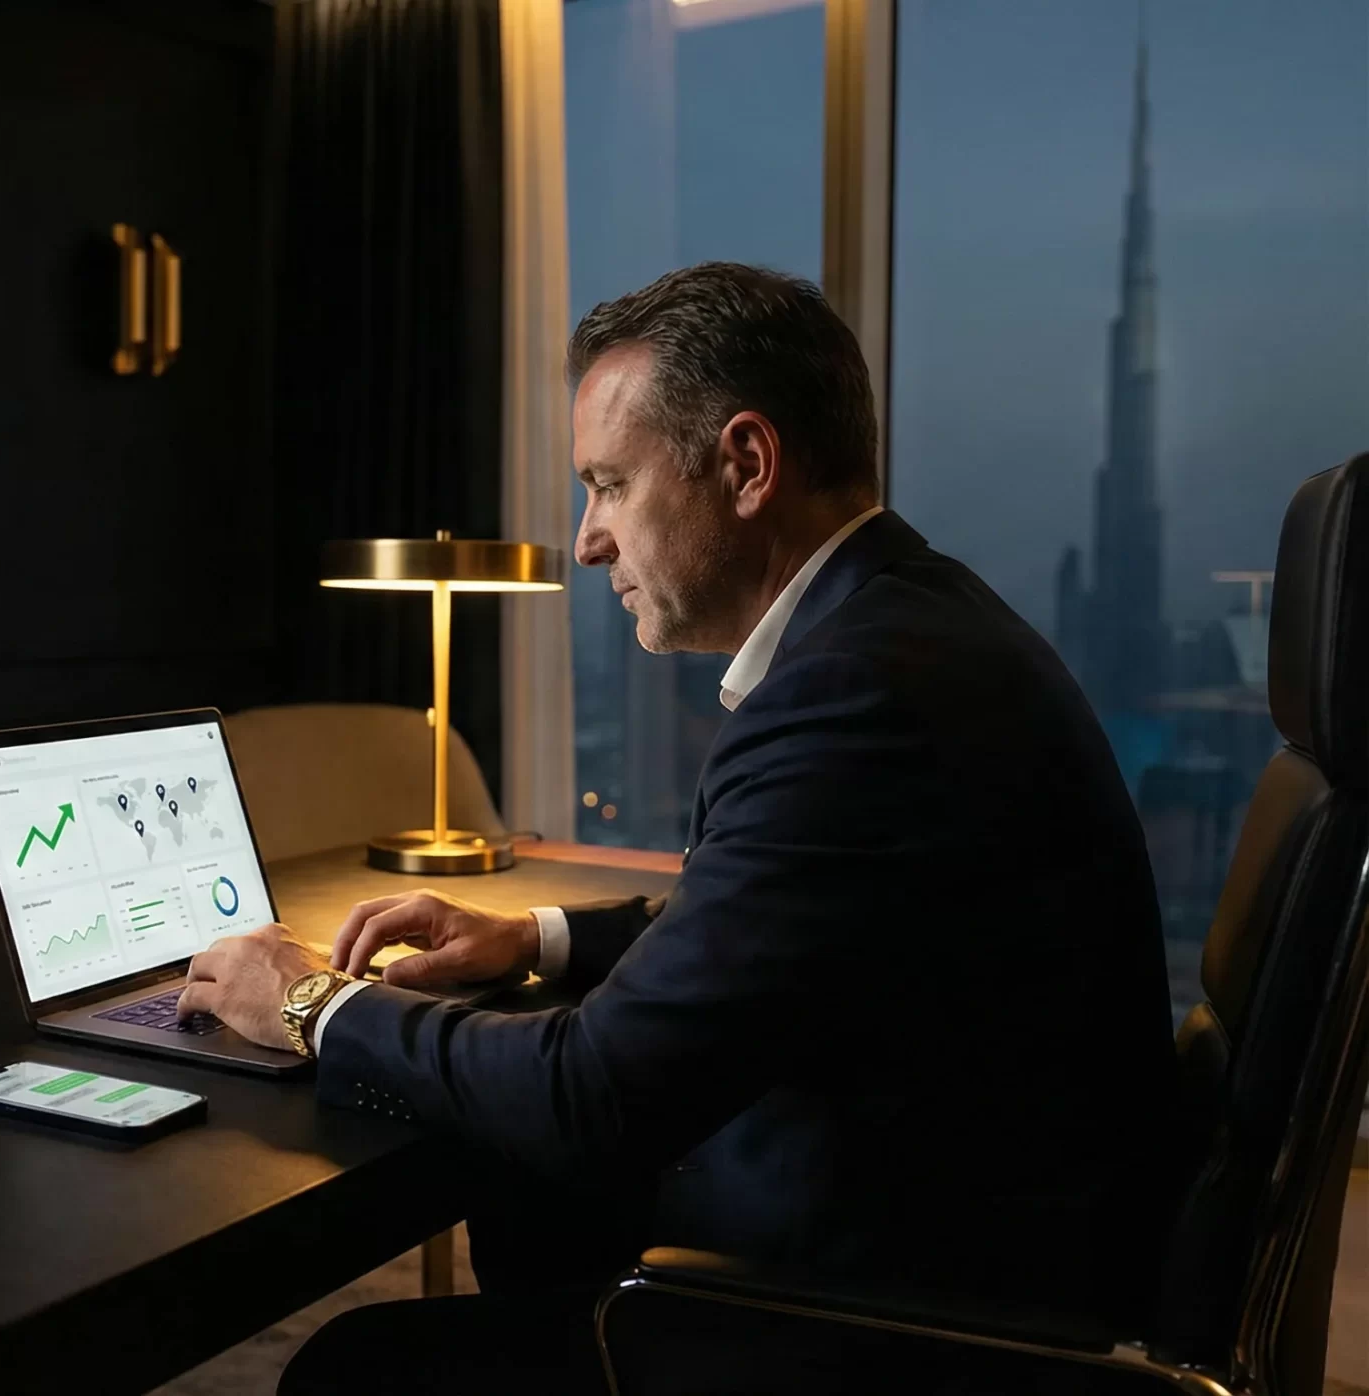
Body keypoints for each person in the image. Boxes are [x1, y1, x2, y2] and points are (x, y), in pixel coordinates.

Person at [174, 263, 1179, 1393]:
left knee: (357, 1367)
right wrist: (532, 939)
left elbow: (590, 1096)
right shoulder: (912, 624)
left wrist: (314, 1003)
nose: (587, 538)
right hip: (970, 1220)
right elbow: (780, 912)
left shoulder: (857, 693)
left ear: (745, 465)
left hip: (917, 1317)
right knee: (531, 1207)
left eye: (607, 484)